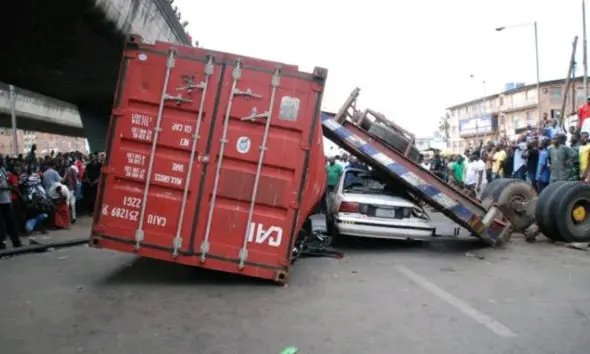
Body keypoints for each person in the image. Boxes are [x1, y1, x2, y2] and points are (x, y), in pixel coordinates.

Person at [0, 156, 21, 249]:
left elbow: (6, 182)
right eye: (2, 159)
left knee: (11, 222)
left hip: (6, 200)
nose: (4, 161)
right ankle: (2, 243)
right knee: (1, 225)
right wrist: (9, 188)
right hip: (1, 200)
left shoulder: (3, 170)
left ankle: (16, 241)